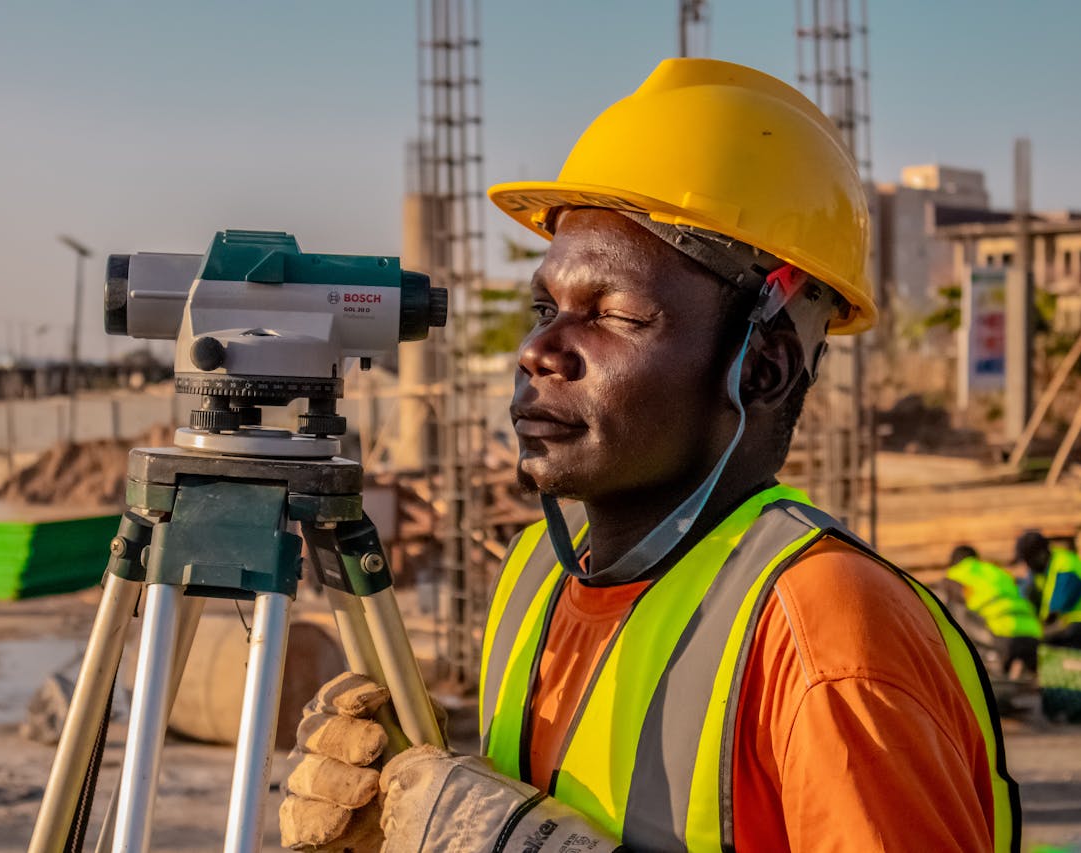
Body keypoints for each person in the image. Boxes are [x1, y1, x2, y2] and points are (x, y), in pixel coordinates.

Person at [281, 58, 1018, 852]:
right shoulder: (535, 575)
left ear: (761, 365)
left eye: (614, 314)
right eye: (546, 308)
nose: (540, 350)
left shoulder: (823, 627)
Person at [1014, 530, 1081, 651]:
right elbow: (1025, 596)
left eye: (1027, 561)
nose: (1026, 566)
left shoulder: (1065, 569)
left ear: (1040, 556)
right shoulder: (1044, 570)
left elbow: (1055, 616)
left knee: (1059, 635)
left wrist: (1036, 635)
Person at [944, 544, 1042, 676]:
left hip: (1001, 636)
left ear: (954, 562)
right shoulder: (997, 571)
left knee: (951, 613)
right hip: (1032, 633)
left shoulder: (954, 575)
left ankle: (982, 666)